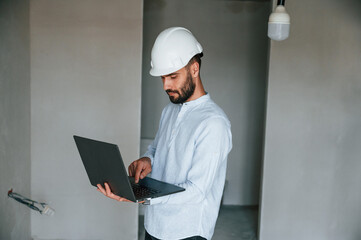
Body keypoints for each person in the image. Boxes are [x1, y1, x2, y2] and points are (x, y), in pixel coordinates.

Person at [97, 27, 232, 240]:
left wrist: (143, 196)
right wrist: (148, 159)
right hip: (154, 224)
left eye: (172, 76)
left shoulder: (213, 123)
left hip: (187, 232)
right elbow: (157, 149)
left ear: (194, 69)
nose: (166, 85)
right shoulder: (170, 110)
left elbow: (197, 191)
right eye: (162, 78)